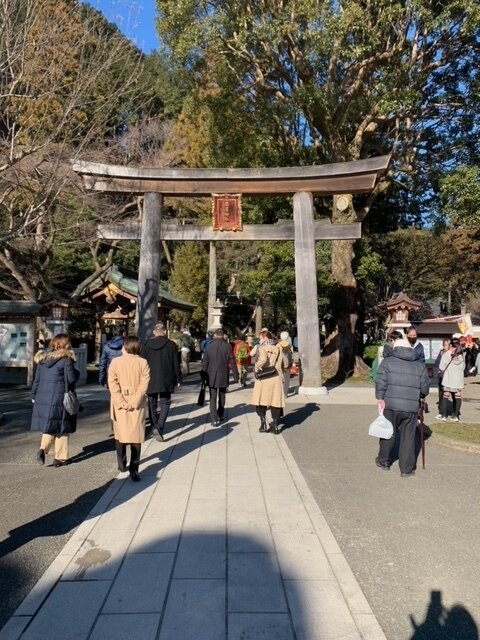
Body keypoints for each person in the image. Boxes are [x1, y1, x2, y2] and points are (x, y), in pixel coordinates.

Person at [375, 335, 430, 477]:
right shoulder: (419, 365)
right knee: (408, 438)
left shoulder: (387, 363)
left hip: (390, 405)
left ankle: (384, 461)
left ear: (395, 347)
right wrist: (420, 396)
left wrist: (380, 398)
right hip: (410, 407)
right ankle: (406, 469)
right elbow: (425, 389)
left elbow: (380, 382)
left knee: (388, 433)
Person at [31, 333, 80, 467]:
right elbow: (71, 379)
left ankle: (43, 449)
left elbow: (37, 380)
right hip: (59, 398)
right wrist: (77, 372)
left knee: (50, 425)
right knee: (62, 427)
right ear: (64, 344)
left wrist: (33, 396)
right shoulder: (66, 359)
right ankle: (60, 458)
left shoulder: (42, 359)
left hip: (43, 397)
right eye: (68, 342)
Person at [107, 336, 150, 481]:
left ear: (126, 347)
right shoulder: (143, 362)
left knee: (120, 436)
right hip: (136, 404)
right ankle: (134, 469)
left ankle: (121, 463)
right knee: (136, 436)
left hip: (119, 404)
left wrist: (121, 402)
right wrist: (133, 402)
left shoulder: (115, 362)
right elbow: (144, 385)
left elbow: (112, 384)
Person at [143, 322, 182, 441]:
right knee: (165, 403)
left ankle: (154, 425)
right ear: (164, 332)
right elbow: (176, 363)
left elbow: (142, 363)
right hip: (166, 377)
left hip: (150, 378)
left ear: (154, 332)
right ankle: (159, 426)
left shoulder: (145, 345)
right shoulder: (171, 345)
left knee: (151, 402)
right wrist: (178, 378)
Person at [252, 329, 286, 434]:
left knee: (260, 402)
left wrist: (256, 368)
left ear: (265, 338)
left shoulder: (262, 348)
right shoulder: (277, 348)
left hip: (263, 378)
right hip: (275, 377)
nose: (259, 340)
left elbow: (262, 360)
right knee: (275, 402)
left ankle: (263, 424)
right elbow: (281, 363)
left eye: (260, 338)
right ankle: (275, 425)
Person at [201, 328, 238, 426]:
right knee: (222, 395)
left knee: (212, 397)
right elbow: (232, 361)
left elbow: (205, 362)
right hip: (223, 374)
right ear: (223, 336)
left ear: (215, 336)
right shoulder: (228, 346)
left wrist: (203, 374)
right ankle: (220, 414)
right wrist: (236, 375)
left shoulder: (209, 347)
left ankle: (214, 418)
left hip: (211, 374)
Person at [436, 337, 465, 422]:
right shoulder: (461, 355)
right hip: (458, 380)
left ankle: (444, 415)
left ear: (450, 345)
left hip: (448, 379)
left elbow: (441, 367)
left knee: (445, 396)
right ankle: (456, 416)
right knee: (458, 397)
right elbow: (463, 367)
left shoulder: (446, 355)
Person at [433, 338, 451, 410]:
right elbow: (436, 363)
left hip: (449, 375)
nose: (445, 347)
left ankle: (447, 407)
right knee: (441, 390)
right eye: (444, 345)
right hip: (441, 375)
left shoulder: (451, 353)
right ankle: (441, 406)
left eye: (447, 345)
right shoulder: (441, 352)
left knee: (448, 392)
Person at [278, 330, 293, 397]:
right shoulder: (289, 346)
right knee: (286, 379)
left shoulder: (278, 345)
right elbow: (291, 354)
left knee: (279, 379)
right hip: (288, 365)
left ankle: (279, 393)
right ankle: (285, 394)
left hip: (280, 365)